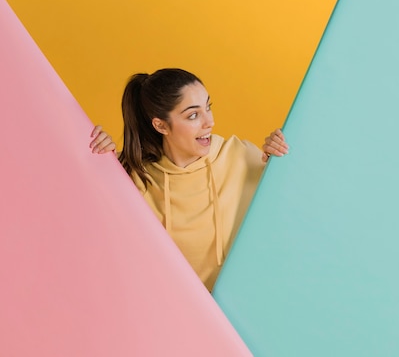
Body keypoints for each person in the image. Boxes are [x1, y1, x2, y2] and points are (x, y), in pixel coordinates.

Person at [89, 68, 289, 291]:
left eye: (208, 107)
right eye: (193, 115)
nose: (209, 122)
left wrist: (282, 161)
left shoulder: (241, 156)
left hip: (247, 304)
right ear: (161, 125)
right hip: (176, 314)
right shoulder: (136, 178)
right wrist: (97, 160)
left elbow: (291, 210)